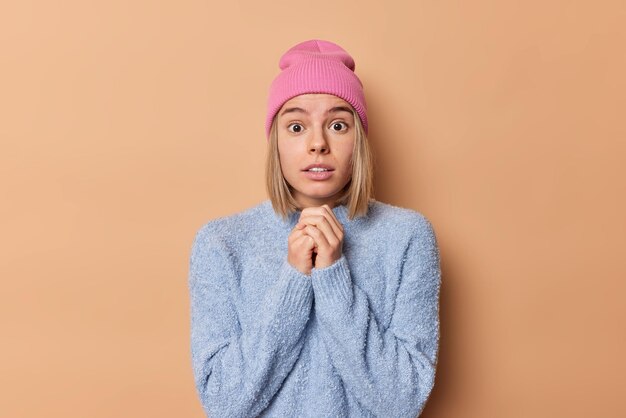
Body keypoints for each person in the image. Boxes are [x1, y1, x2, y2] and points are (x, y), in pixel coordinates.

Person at [188, 39, 441, 417]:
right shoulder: (222, 243)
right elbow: (225, 404)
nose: (318, 144)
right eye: (296, 126)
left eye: (338, 125)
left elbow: (401, 403)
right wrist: (294, 278)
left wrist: (334, 275)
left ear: (360, 141)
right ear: (276, 141)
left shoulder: (407, 237)